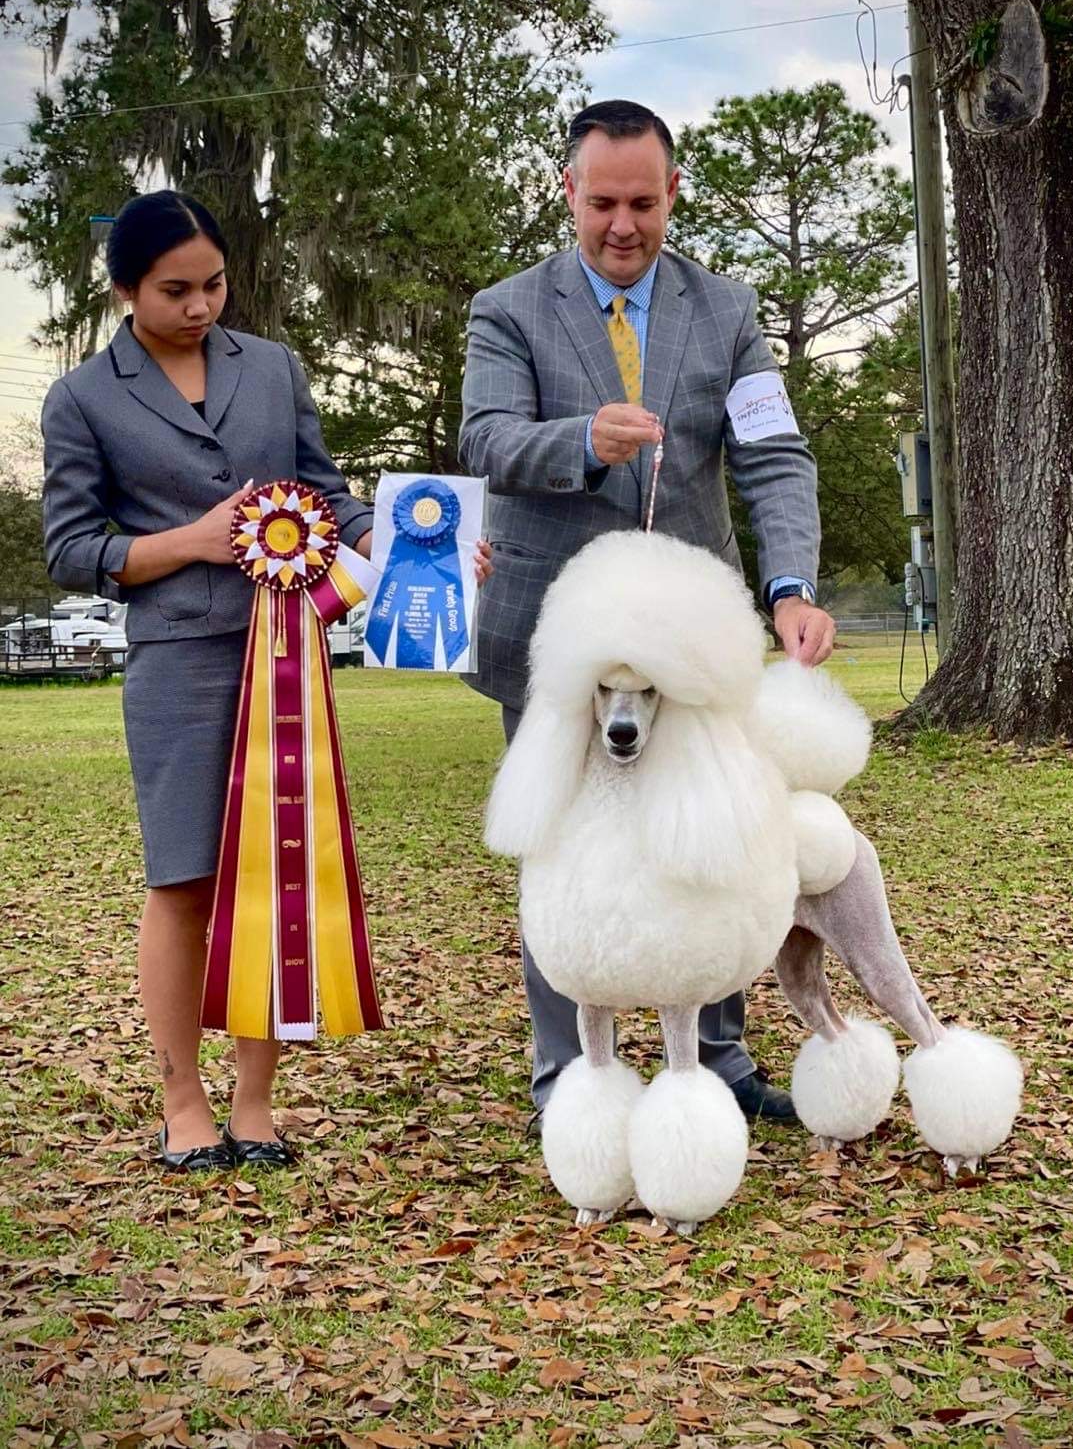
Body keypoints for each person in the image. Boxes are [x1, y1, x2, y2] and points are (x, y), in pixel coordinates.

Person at [42, 190, 491, 1172]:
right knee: (183, 881)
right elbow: (71, 548)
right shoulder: (81, 397)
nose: (200, 305)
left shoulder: (275, 368)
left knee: (273, 875)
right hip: (176, 664)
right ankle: (182, 1102)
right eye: (175, 290)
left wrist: (414, 548)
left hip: (288, 654)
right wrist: (190, 541)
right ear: (124, 289)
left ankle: (254, 1104)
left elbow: (326, 495)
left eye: (213, 283)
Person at [460, 98, 835, 1129]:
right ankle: (569, 1083)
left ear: (672, 193)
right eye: (601, 204)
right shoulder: (507, 309)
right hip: (555, 643)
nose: (622, 225)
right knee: (561, 859)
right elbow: (486, 437)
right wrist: (582, 440)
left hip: (690, 651)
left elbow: (772, 453)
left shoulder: (727, 311)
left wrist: (790, 586)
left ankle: (717, 1061)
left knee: (706, 839)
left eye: (642, 202)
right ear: (567, 193)